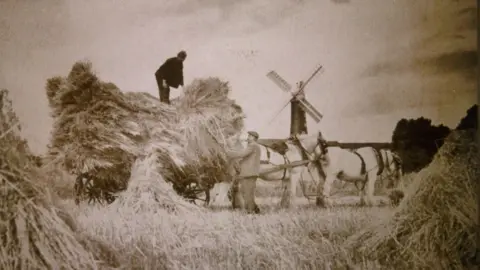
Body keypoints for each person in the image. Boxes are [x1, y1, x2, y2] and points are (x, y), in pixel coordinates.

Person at [226, 131, 262, 214]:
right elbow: (244, 157)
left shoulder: (253, 146)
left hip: (249, 173)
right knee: (246, 192)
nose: (248, 137)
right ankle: (255, 210)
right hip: (249, 173)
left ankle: (250, 212)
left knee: (248, 193)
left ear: (254, 138)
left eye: (250, 136)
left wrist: (228, 153)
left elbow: (242, 154)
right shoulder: (253, 146)